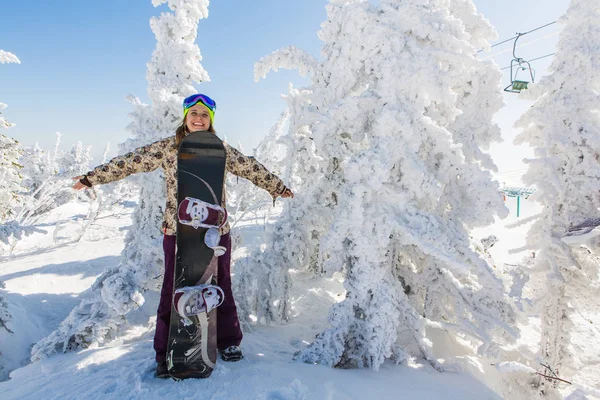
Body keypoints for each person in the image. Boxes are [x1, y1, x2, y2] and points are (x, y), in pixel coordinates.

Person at [72, 94, 294, 377]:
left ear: (211, 120)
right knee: (172, 289)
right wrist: (92, 177)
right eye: (194, 113)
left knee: (221, 284)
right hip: (178, 233)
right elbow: (131, 161)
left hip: (215, 233)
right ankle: (165, 350)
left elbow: (252, 168)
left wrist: (277, 187)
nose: (199, 118)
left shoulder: (221, 149)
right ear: (185, 116)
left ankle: (227, 342)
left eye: (205, 114)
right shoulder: (168, 148)